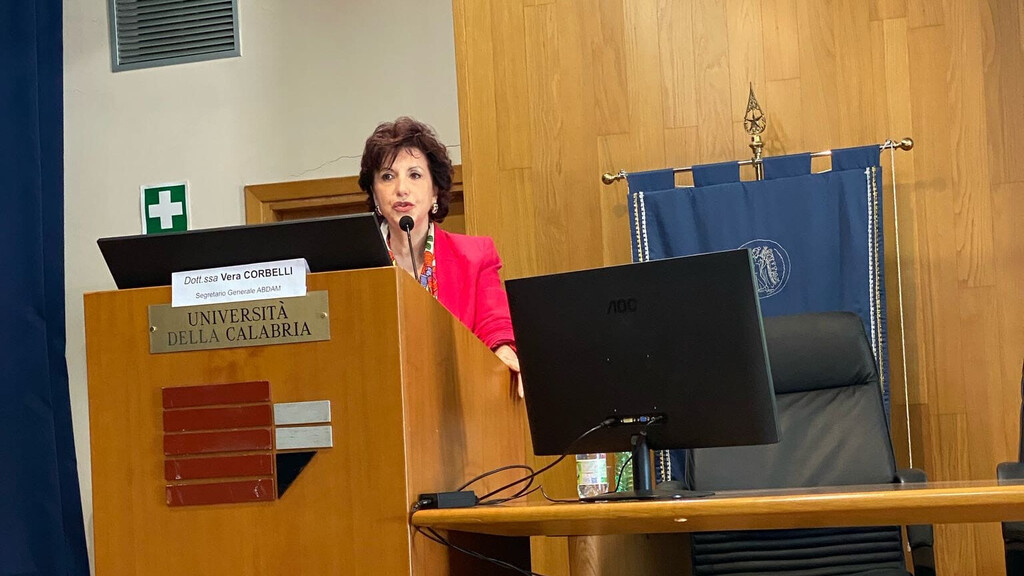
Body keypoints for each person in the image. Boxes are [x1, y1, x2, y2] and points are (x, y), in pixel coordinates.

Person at [358, 117, 522, 396]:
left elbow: (495, 325)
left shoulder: (475, 256)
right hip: (378, 398)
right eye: (387, 176)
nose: (401, 188)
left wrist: (504, 352)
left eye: (415, 175)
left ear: (435, 190)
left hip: (455, 399)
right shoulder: (354, 265)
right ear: (375, 194)